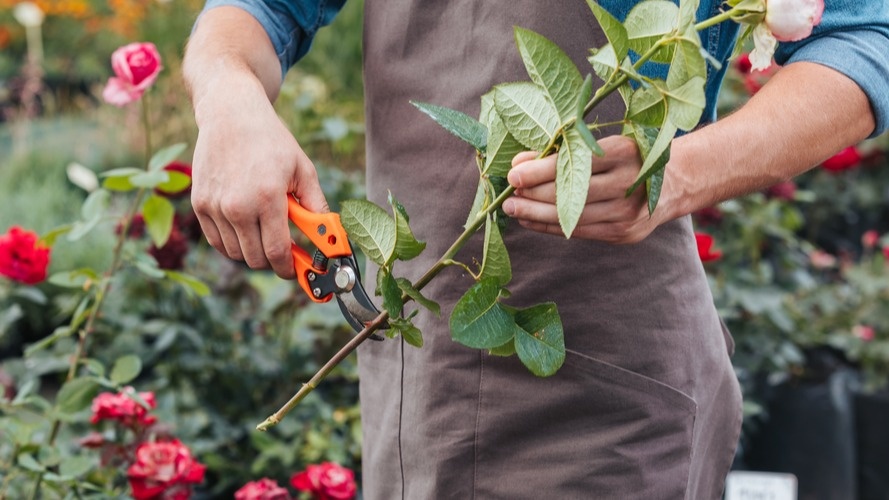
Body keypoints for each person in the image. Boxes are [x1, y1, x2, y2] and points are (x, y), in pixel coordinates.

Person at [183, 1, 889, 498]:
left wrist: (676, 174)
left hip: (606, 392)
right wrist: (228, 95)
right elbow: (260, 11)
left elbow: (863, 36)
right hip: (417, 373)